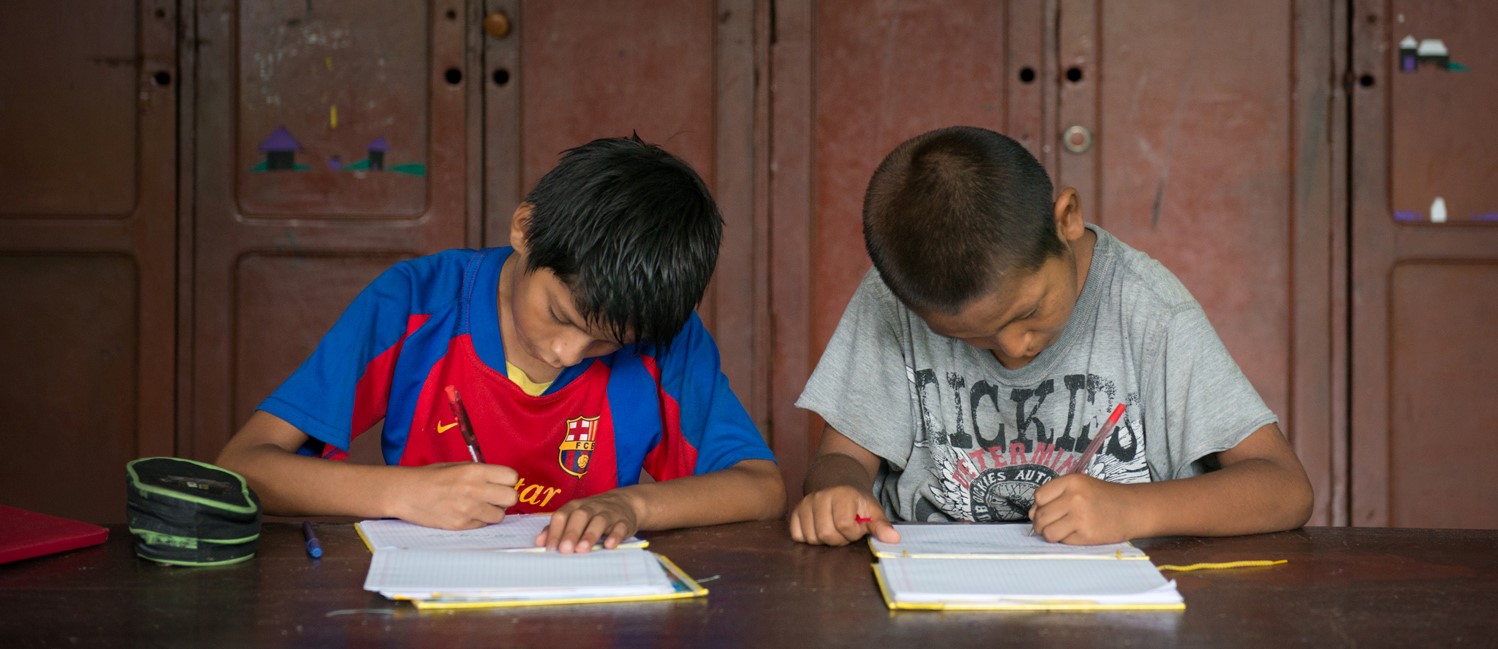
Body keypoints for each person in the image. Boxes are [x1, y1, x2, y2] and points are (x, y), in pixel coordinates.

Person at [217, 135, 784, 553]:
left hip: (587, 609)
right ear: (524, 229)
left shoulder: (662, 339)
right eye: (558, 315)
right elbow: (245, 467)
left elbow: (760, 487)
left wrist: (631, 506)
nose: (567, 354)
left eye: (604, 345)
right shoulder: (413, 304)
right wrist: (400, 494)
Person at [790, 125, 1312, 546]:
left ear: (1067, 218)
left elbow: (1284, 487)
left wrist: (1132, 509)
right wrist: (838, 491)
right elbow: (842, 458)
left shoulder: (1149, 309)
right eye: (975, 339)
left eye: (1030, 312)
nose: (1016, 348)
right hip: (934, 598)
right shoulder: (895, 301)